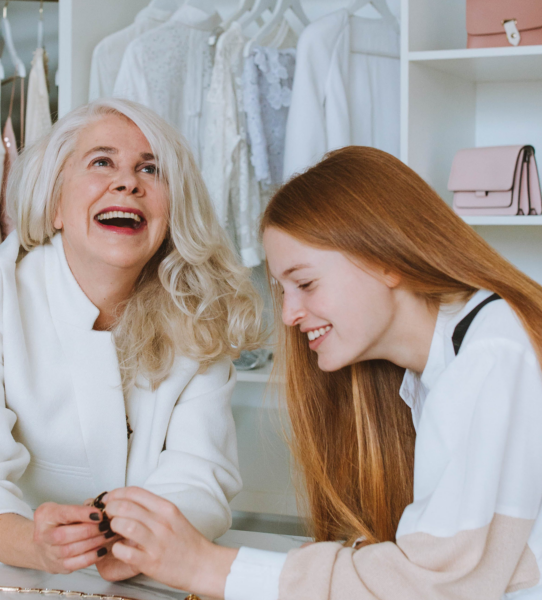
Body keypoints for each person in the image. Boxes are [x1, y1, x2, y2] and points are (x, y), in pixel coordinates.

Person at [99, 146, 542, 599]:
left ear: (385, 256)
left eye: (306, 283)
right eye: (283, 290)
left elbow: (437, 585)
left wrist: (209, 568)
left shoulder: (494, 352)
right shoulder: (433, 373)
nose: (289, 314)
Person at [0, 98, 263, 580]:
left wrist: (133, 547)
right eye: (102, 162)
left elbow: (201, 476)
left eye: (150, 169)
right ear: (55, 204)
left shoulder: (198, 308)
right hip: (19, 577)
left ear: (171, 209)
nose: (128, 181)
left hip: (156, 579)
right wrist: (37, 546)